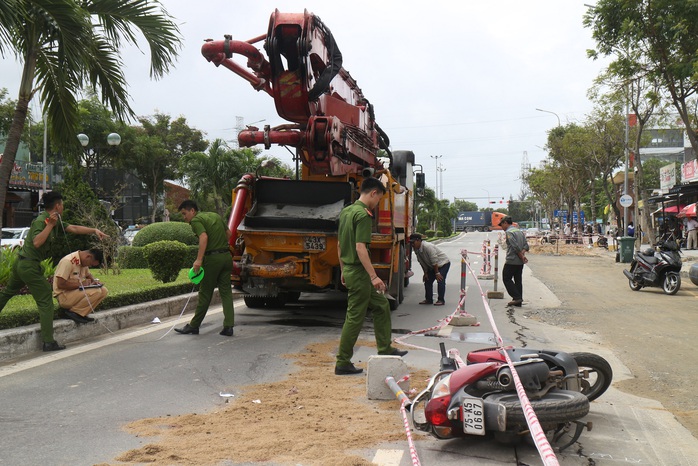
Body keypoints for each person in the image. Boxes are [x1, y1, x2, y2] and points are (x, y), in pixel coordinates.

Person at [0, 191, 109, 351]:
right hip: (28, 265)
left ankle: (48, 340)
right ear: (58, 206)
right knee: (46, 301)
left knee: (7, 293)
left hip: (23, 263)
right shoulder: (41, 221)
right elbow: (37, 242)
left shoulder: (56, 221)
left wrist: (94, 230)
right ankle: (48, 341)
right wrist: (50, 225)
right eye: (62, 204)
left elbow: (74, 228)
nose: (63, 207)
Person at [335, 177, 407, 375]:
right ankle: (342, 362)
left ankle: (385, 348)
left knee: (381, 305)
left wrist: (343, 269)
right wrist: (374, 276)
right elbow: (360, 248)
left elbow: (340, 245)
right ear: (373, 193)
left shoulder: (346, 212)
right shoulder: (363, 215)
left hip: (350, 270)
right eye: (378, 199)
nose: (376, 204)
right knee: (354, 318)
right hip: (358, 273)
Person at [175, 200, 235, 336]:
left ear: (192, 211)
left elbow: (203, 237)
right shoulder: (215, 215)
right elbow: (229, 234)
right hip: (226, 257)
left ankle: (194, 326)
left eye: (185, 214)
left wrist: (199, 260)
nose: (185, 218)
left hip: (212, 260)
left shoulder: (195, 221)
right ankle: (229, 326)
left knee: (205, 293)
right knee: (226, 292)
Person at [53, 248, 108, 324]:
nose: (89, 266)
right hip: (64, 296)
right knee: (97, 291)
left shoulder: (83, 262)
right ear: (88, 257)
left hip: (75, 292)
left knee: (104, 290)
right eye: (91, 264)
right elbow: (60, 284)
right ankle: (72, 313)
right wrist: (81, 284)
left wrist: (94, 281)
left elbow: (88, 275)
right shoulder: (68, 261)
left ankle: (81, 314)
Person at [409, 233, 450, 306]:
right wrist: (425, 273)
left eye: (413, 242)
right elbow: (421, 261)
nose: (412, 245)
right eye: (411, 243)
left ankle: (441, 300)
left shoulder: (428, 247)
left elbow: (434, 260)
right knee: (427, 280)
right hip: (432, 266)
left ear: (418, 241)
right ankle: (429, 299)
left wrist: (437, 273)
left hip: (442, 264)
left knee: (440, 280)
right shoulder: (416, 249)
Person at [500, 216, 529, 307]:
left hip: (512, 260)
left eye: (502, 225)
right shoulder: (519, 231)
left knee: (506, 278)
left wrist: (521, 256)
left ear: (505, 223)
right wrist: (522, 255)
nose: (502, 228)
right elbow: (526, 245)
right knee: (518, 280)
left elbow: (514, 246)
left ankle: (516, 297)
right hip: (520, 262)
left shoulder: (509, 232)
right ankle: (518, 300)